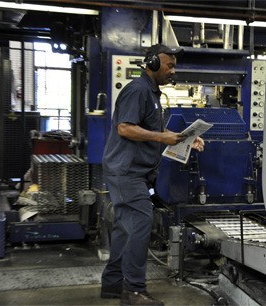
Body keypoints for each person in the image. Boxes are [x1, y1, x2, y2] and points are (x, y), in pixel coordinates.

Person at [100, 44, 205, 306]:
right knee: (140, 222)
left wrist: (185, 140)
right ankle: (133, 291)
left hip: (134, 171)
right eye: (169, 65)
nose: (173, 71)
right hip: (127, 171)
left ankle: (113, 284)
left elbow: (152, 132)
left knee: (126, 228)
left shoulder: (151, 93)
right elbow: (125, 128)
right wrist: (163, 137)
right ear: (153, 64)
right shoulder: (138, 90)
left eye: (174, 66)